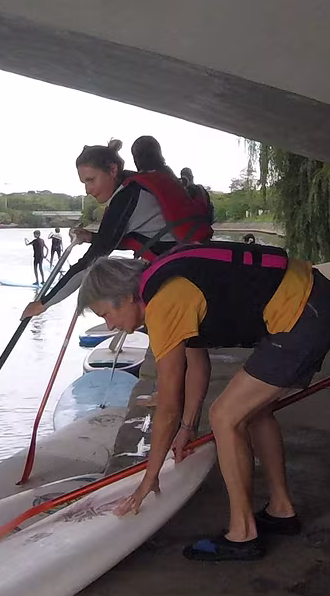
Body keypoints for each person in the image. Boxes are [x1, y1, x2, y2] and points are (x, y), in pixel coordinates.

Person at [82, 242, 330, 560]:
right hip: (314, 300)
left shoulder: (164, 302)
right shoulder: (167, 286)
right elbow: (197, 364)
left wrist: (149, 478)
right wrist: (187, 428)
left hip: (304, 312)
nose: (109, 325)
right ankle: (281, 510)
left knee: (225, 416)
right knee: (254, 411)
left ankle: (243, 534)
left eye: (106, 314)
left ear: (125, 297)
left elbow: (168, 404)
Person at [24, 138, 216, 412]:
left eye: (91, 180)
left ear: (113, 170)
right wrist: (93, 237)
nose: (88, 189)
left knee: (176, 342)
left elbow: (89, 264)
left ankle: (172, 406)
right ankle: (181, 408)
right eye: (84, 183)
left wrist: (44, 302)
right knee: (192, 347)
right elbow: (140, 236)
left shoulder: (128, 197)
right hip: (191, 262)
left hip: (181, 273)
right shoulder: (133, 187)